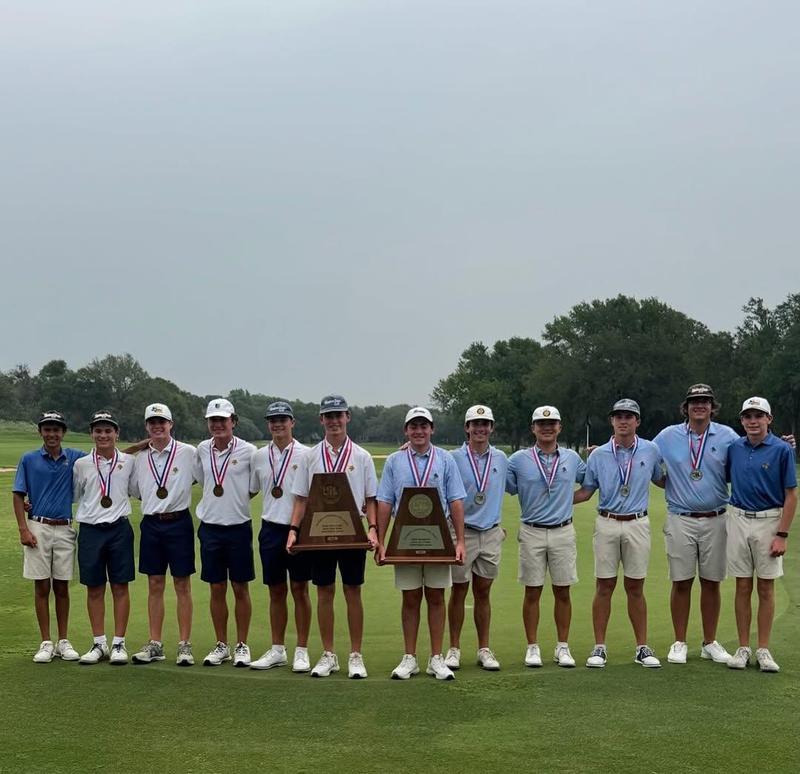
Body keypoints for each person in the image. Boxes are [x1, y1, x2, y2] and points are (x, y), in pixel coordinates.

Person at [286, 395, 378, 679]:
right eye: (329, 416)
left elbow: (371, 499)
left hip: (352, 535)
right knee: (324, 591)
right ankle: (329, 654)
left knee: (353, 591)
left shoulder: (361, 456)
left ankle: (355, 655)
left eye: (339, 415)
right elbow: (301, 499)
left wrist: (373, 528)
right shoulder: (310, 456)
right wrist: (293, 530)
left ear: (348, 417)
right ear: (321, 420)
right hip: (319, 536)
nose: (334, 421)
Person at [376, 407, 466, 680]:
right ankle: (410, 657)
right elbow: (385, 501)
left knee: (437, 596)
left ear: (432, 429)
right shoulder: (394, 460)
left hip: (439, 538)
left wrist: (460, 541)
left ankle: (436, 658)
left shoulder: (446, 459)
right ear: (406, 431)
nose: (418, 431)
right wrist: (381, 541)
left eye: (423, 426)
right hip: (404, 539)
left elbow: (456, 500)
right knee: (411, 597)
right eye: (413, 426)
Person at [574, 399, 664, 668]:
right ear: (612, 421)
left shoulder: (650, 450)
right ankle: (599, 647)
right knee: (604, 585)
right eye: (618, 416)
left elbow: (661, 479)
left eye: (629, 416)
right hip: (607, 522)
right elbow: (587, 491)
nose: (623, 421)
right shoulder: (599, 454)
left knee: (636, 586)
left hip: (637, 522)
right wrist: (552, 500)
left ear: (637, 421)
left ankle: (642, 648)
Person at [652, 384, 738, 665]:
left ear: (713, 406)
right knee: (681, 581)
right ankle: (679, 641)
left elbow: (750, 455)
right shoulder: (667, 436)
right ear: (685, 407)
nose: (699, 405)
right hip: (681, 518)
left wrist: (782, 445)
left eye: (705, 401)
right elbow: (644, 458)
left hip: (716, 517)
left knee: (711, 582)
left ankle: (709, 642)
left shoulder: (727, 435)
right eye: (694, 401)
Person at [506, 406, 586, 669]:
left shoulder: (572, 458)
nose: (547, 428)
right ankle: (532, 647)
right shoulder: (517, 460)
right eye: (541, 424)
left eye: (552, 423)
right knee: (532, 591)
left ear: (560, 427)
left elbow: (589, 484)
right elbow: (496, 482)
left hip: (563, 530)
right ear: (533, 428)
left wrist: (566, 500)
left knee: (563, 590)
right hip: (531, 531)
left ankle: (562, 647)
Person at [725, 397, 797, 672]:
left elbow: (791, 495)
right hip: (739, 518)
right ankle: (743, 647)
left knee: (766, 586)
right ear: (742, 421)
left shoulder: (781, 450)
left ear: (769, 419)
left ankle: (763, 649)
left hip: (769, 520)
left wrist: (782, 534)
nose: (753, 422)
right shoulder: (735, 447)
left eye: (758, 416)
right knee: (742, 586)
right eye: (748, 417)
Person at [12, 411, 85, 663]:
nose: (52, 434)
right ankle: (46, 641)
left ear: (63, 432)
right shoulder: (29, 459)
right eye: (47, 429)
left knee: (62, 585)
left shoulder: (74, 457)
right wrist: (23, 529)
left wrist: (143, 445)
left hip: (64, 528)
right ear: (40, 432)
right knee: (42, 585)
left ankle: (63, 641)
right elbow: (18, 494)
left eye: (56, 429)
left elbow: (107, 458)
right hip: (38, 527)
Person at [128, 403, 197, 666]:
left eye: (162, 422)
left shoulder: (188, 452)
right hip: (152, 524)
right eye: (152, 422)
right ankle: (155, 643)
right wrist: (138, 446)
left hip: (178, 522)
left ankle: (184, 645)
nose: (157, 426)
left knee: (182, 584)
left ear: (171, 424)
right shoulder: (140, 458)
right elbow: (135, 490)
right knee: (155, 584)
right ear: (147, 427)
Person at [249, 401, 312, 673]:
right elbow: (252, 489)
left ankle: (302, 650)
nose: (278, 424)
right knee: (275, 590)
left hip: (299, 529)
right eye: (273, 420)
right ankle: (277, 650)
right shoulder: (259, 456)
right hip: (270, 528)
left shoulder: (308, 454)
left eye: (283, 420)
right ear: (268, 424)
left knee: (300, 589)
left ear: (292, 422)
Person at [193, 398, 257, 667]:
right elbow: (203, 480)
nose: (217, 425)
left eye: (223, 420)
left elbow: (253, 487)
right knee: (216, 587)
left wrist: (235, 501)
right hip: (210, 527)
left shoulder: (249, 451)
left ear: (233, 422)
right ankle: (222, 644)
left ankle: (242, 644)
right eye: (213, 420)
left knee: (240, 588)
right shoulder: (202, 449)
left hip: (238, 527)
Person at [446, 405, 508, 671]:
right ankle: (454, 649)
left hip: (491, 533)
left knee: (483, 592)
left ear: (491, 428)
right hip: (463, 532)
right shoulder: (452, 458)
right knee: (459, 590)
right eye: (475, 424)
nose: (480, 429)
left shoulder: (503, 459)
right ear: (467, 428)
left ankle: (484, 648)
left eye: (485, 424)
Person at [73, 411, 136, 665]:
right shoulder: (82, 464)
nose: (103, 435)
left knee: (120, 586)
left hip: (119, 529)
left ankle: (119, 643)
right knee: (94, 587)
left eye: (108, 430)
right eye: (98, 430)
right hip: (90, 530)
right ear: (92, 434)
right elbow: (77, 495)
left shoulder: (129, 461)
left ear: (116, 433)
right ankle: (99, 643)